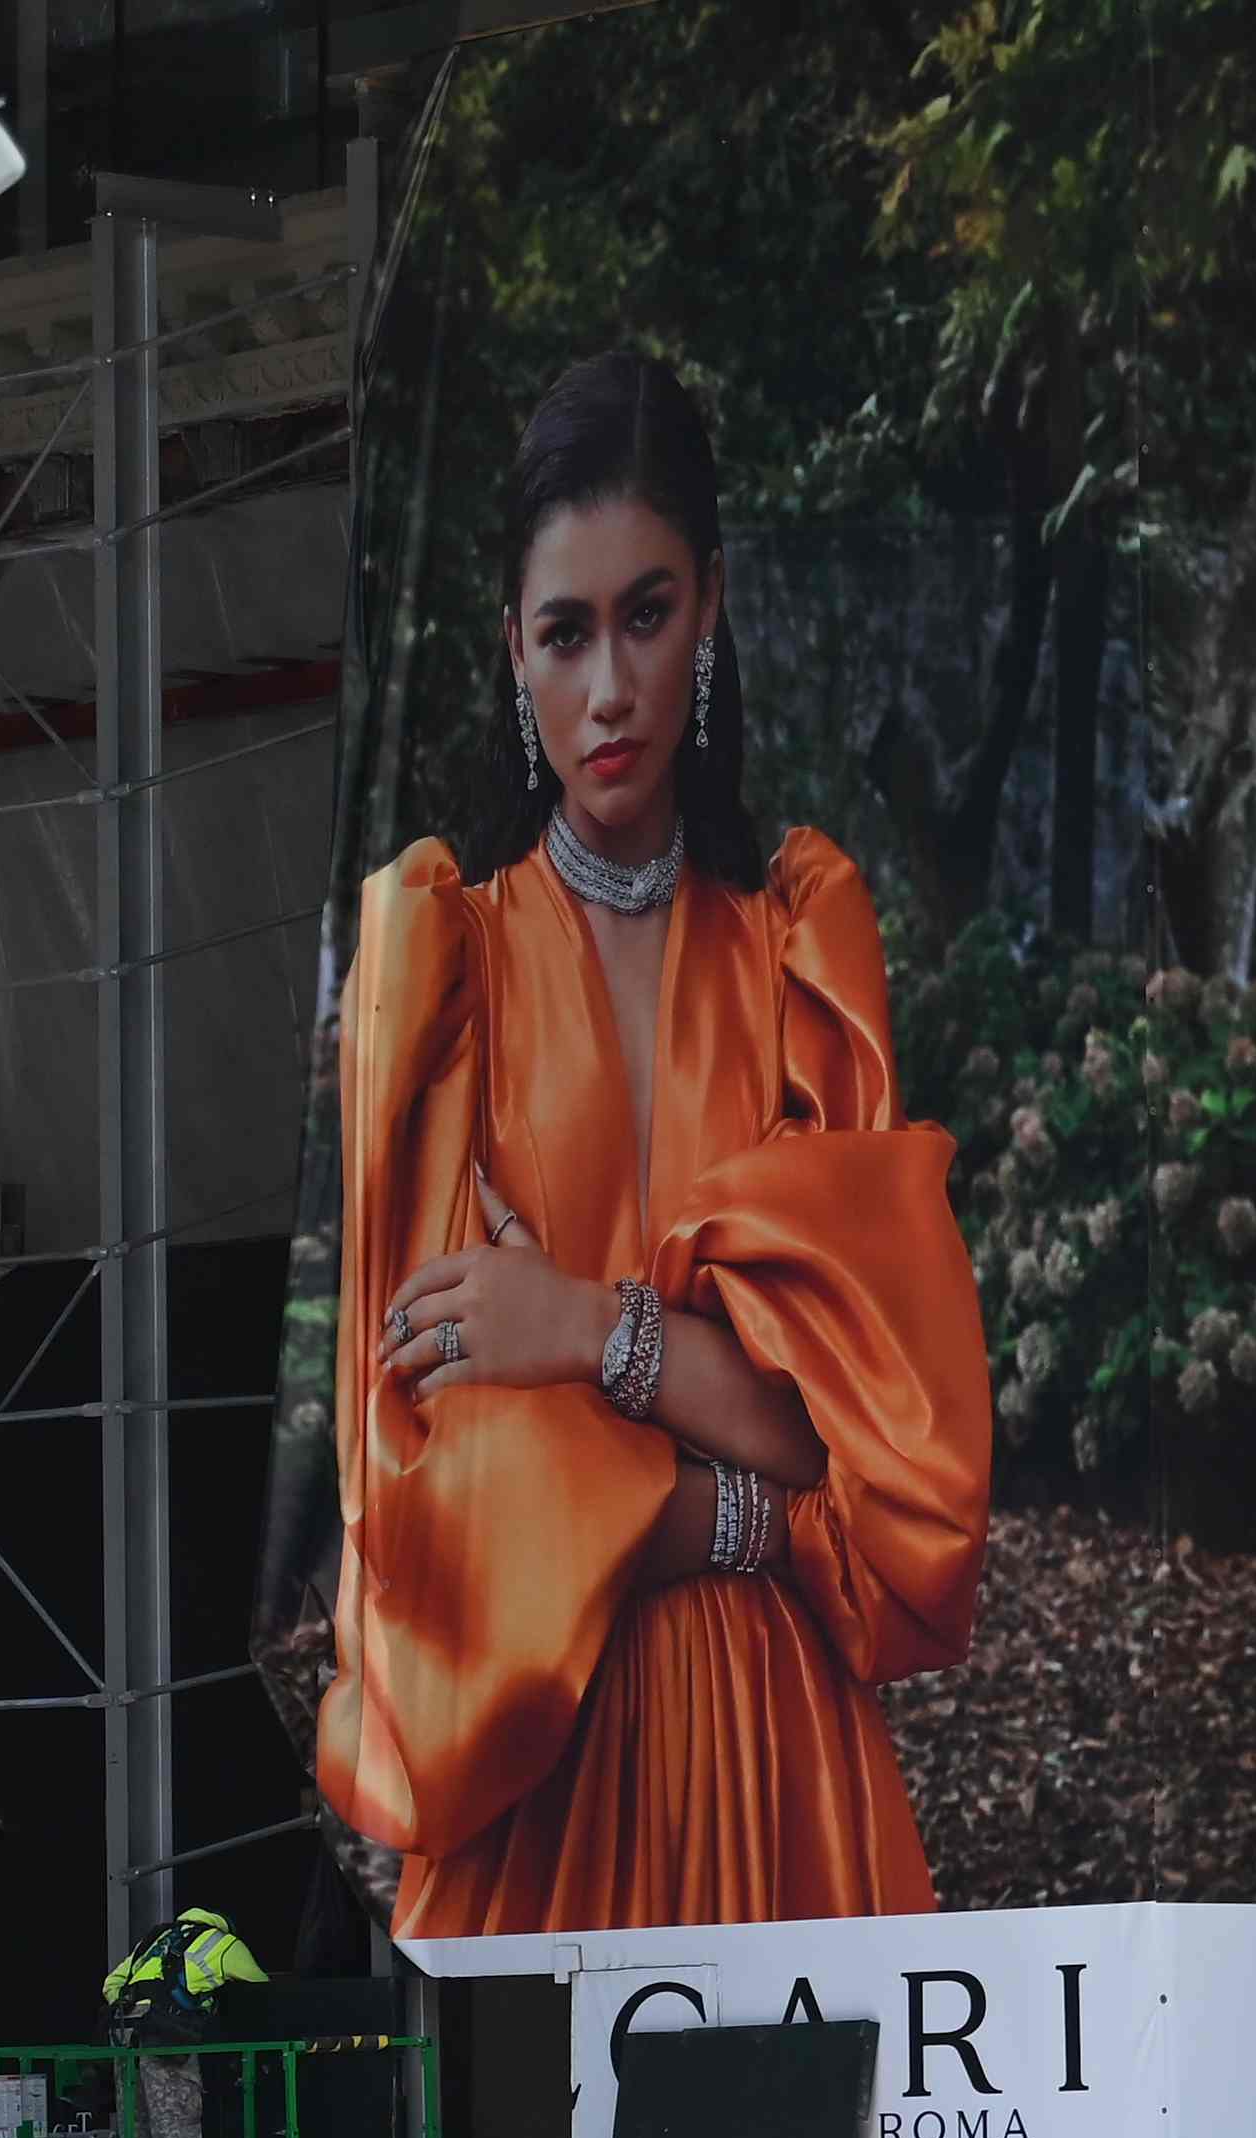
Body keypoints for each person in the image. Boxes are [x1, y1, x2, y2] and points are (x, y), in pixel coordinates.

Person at [320, 346, 988, 1940]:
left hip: (785, 1775)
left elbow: (875, 1461)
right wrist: (727, 1475)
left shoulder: (803, 957)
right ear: (513, 650)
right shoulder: (438, 975)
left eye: (647, 613)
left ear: (712, 610)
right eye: (566, 633)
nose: (609, 689)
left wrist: (581, 1332)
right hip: (531, 1785)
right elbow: (426, 1492)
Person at [103, 1902, 265, 2138]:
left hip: (125, 2043)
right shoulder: (222, 1942)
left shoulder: (154, 1939)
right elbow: (261, 1987)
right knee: (176, 2137)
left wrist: (139, 2010)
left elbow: (111, 1984)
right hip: (168, 2046)